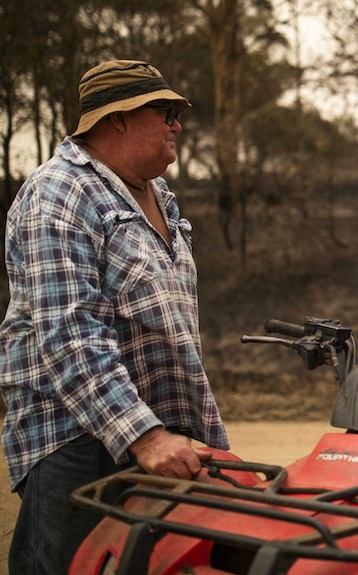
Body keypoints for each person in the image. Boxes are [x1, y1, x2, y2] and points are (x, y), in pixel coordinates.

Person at [0, 59, 230, 574]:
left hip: (153, 435)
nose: (176, 123)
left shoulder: (159, 195)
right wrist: (143, 437)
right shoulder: (57, 193)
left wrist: (168, 433)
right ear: (117, 119)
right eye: (164, 111)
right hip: (77, 442)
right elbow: (69, 333)